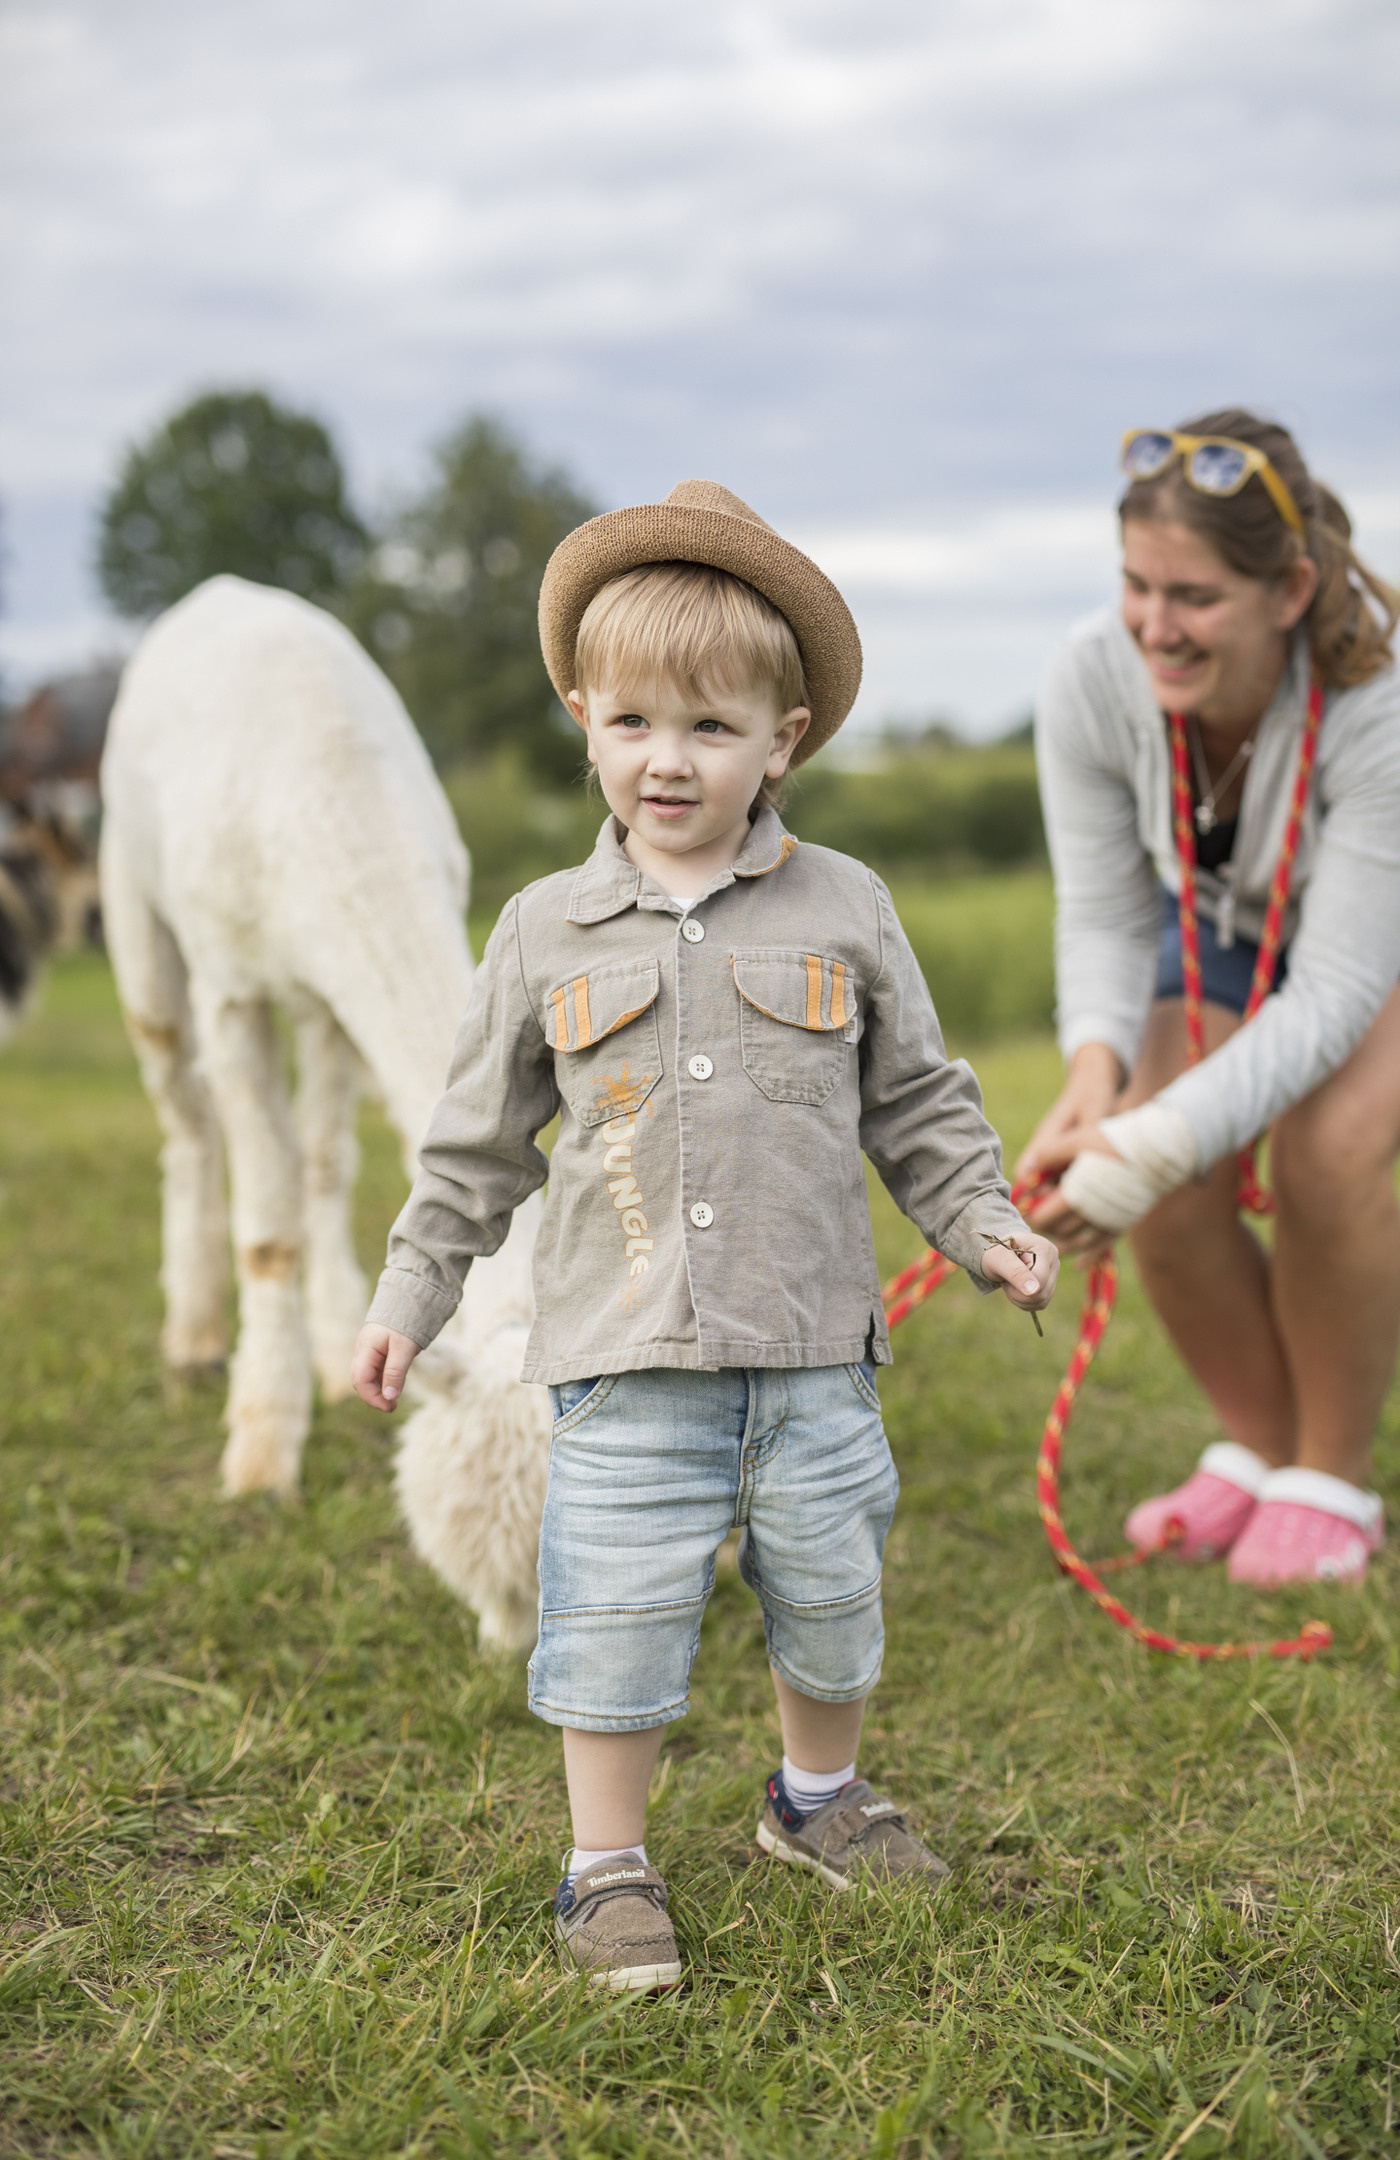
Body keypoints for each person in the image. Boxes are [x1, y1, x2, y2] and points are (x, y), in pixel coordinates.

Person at [351, 481, 1057, 1992]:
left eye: (712, 729)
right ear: (584, 718)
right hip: (620, 1362)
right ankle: (605, 1866)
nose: (668, 762)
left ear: (783, 738)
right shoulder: (543, 930)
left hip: (812, 1355)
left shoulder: (848, 908)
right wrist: (411, 1296)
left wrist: (983, 1221)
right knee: (611, 1608)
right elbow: (475, 1147)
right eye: (633, 726)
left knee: (831, 1590)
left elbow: (920, 1102)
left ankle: (816, 1801)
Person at [1021, 409, 1400, 1588]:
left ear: (1286, 591)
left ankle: (1331, 1476)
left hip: (1372, 945)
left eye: (1191, 597)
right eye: (1136, 584)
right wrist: (1097, 1082)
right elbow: (1102, 914)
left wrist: (1149, 1139)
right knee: (1156, 1155)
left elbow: (1337, 982)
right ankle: (1261, 1448)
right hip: (1232, 934)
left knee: (1323, 1154)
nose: (1153, 623)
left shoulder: (1375, 705)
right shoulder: (1091, 676)